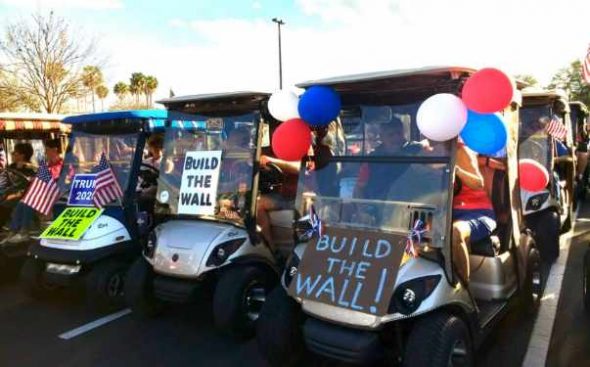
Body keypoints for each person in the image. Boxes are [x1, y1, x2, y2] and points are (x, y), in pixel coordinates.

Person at [452, 142, 497, 283]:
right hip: (447, 211)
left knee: (455, 232)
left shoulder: (462, 150)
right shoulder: (427, 151)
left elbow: (479, 183)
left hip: (478, 211)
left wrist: (456, 170)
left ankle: (464, 286)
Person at [0, 143, 37, 239]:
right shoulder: (11, 167)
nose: (12, 155)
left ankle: (14, 230)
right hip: (9, 192)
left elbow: (31, 183)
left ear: (22, 155)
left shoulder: (31, 168)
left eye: (14, 153)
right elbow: (3, 180)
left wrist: (27, 166)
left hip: (25, 194)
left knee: (6, 202)